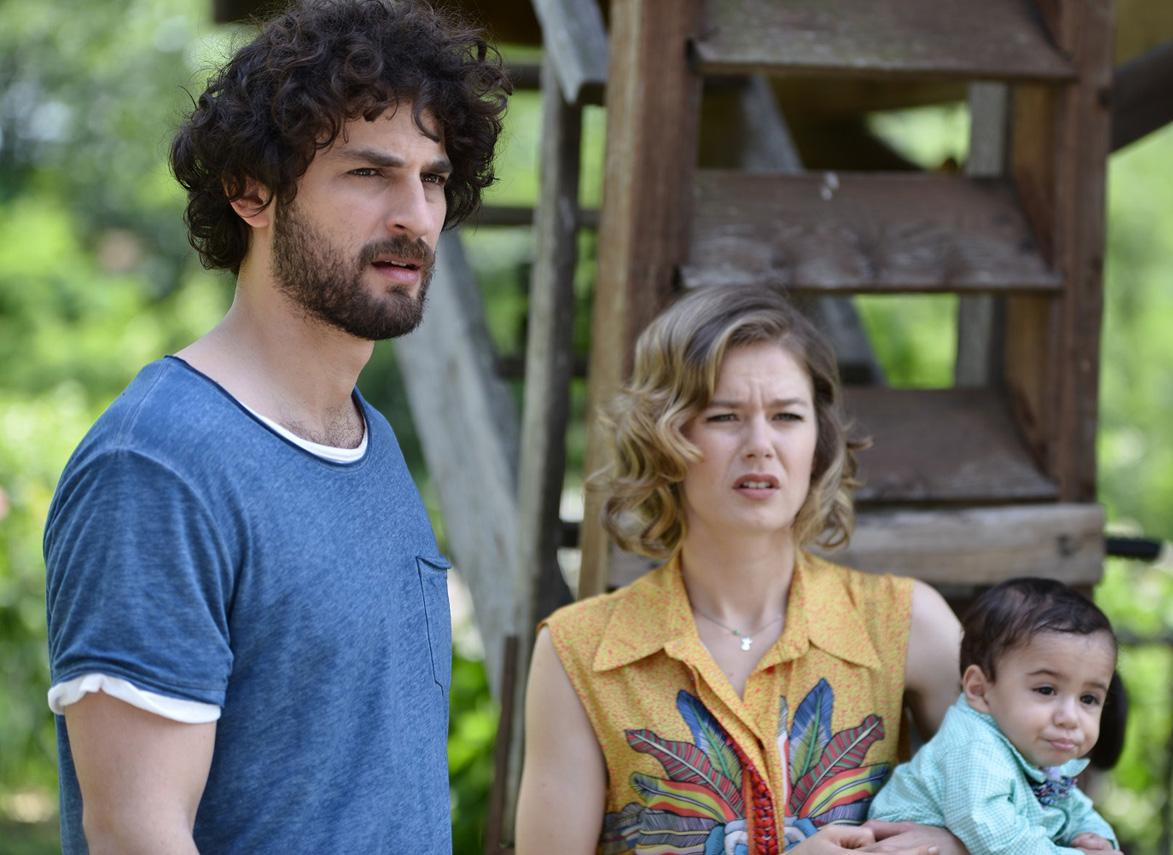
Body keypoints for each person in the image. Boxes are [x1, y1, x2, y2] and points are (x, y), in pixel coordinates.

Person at [42, 1, 506, 851]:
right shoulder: (158, 464)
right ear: (251, 190)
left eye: (433, 179)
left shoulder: (368, 440)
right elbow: (135, 832)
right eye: (369, 173)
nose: (415, 215)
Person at [516, 286, 968, 854]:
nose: (760, 444)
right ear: (665, 437)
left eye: (787, 416)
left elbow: (1046, 814)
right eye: (725, 416)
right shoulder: (579, 653)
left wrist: (952, 845)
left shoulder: (905, 623)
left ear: (818, 442)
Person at [868, 578, 1124, 854]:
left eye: (1088, 699)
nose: (1070, 717)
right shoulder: (974, 748)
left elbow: (1075, 807)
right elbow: (1000, 839)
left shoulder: (1036, 749)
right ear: (979, 689)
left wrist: (1097, 838)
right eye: (1046, 690)